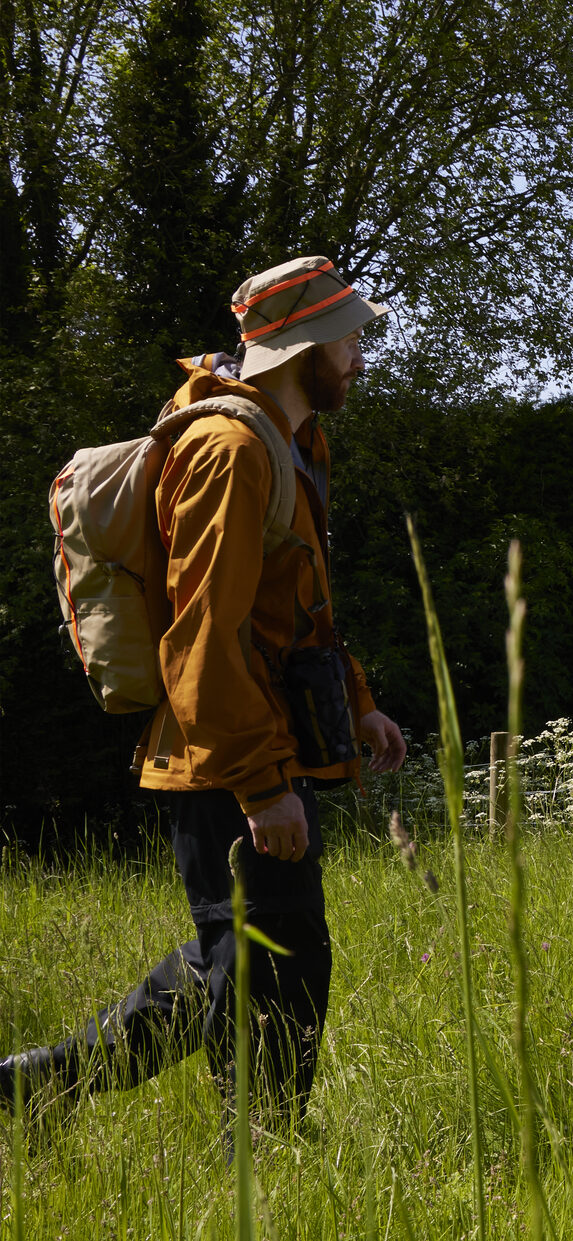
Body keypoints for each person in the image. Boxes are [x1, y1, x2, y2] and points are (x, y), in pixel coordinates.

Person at [1, 257, 407, 1130]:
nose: (361, 355)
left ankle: (41, 1082)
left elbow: (297, 605)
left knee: (236, 955)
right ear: (306, 348)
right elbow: (201, 635)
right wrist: (261, 785)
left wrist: (358, 700)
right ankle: (260, 1150)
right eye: (350, 339)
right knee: (280, 958)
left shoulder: (293, 437)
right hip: (225, 753)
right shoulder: (230, 452)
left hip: (262, 737)